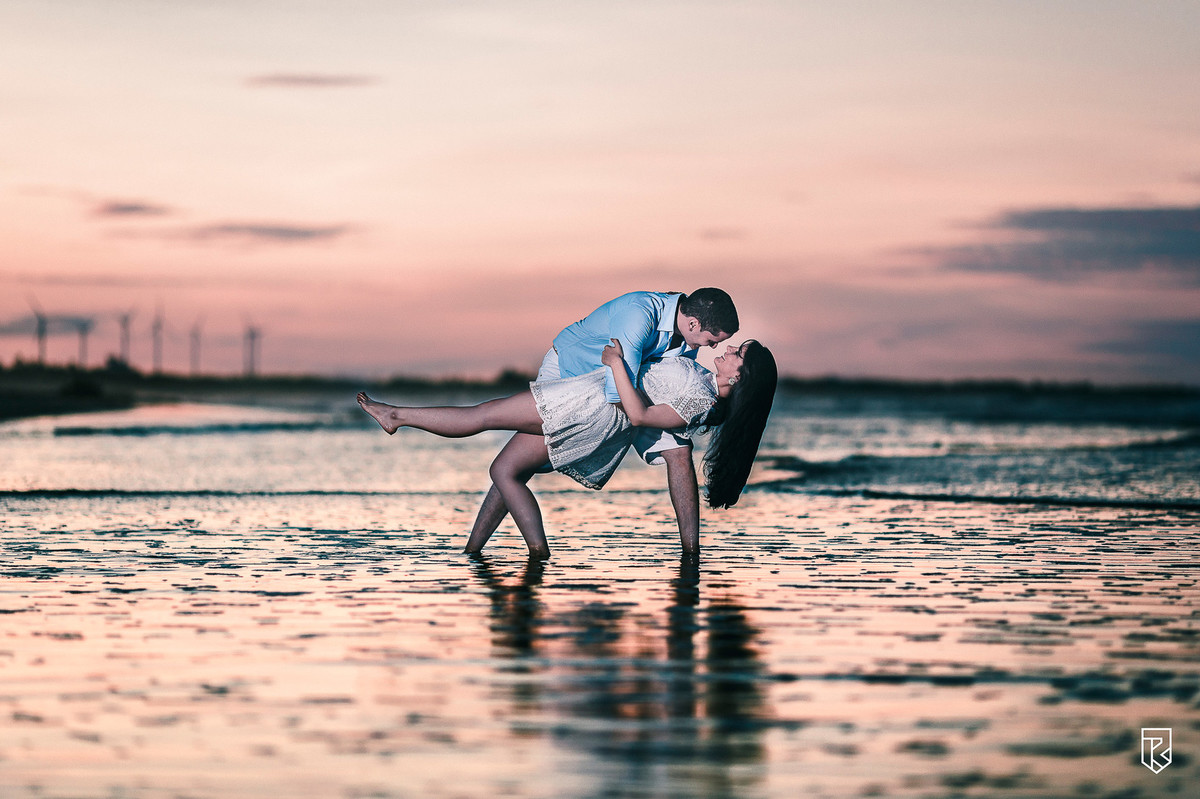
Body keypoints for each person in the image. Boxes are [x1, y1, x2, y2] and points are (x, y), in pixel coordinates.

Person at [357, 337, 777, 559]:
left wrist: (615, 365)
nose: (728, 349)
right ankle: (476, 551)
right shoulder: (699, 382)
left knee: (484, 416)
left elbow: (642, 418)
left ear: (740, 377)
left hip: (586, 407)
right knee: (506, 469)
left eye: (737, 352)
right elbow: (673, 443)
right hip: (589, 400)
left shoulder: (699, 397)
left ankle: (397, 416)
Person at [467, 289, 739, 555]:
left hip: (629, 391)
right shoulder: (640, 313)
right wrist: (658, 416)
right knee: (516, 467)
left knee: (679, 452)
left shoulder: (687, 336)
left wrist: (688, 409)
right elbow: (616, 393)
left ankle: (691, 553)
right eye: (712, 340)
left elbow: (664, 380)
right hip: (572, 374)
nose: (713, 347)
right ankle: (481, 550)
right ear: (693, 323)